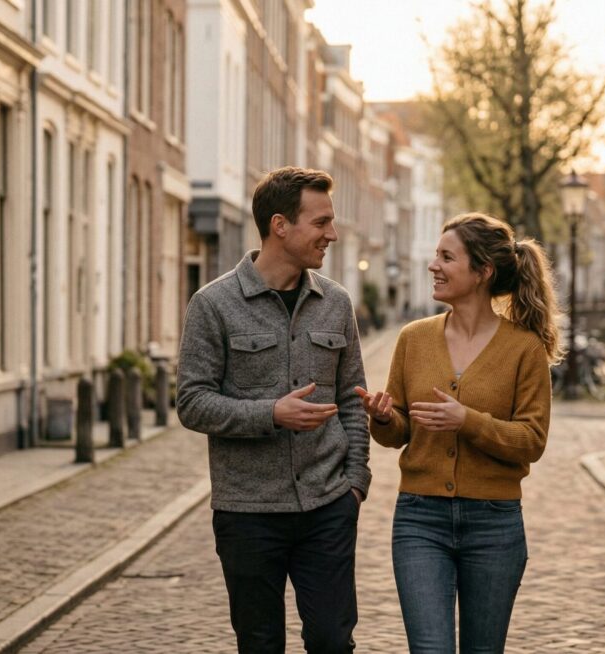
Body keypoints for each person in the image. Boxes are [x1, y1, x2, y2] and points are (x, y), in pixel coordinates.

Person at [177, 166, 371, 654]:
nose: (333, 234)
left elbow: (352, 396)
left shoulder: (337, 303)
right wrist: (270, 414)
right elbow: (192, 402)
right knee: (259, 644)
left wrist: (355, 484)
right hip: (248, 512)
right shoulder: (212, 305)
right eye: (321, 222)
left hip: (328, 506)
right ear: (280, 225)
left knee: (332, 640)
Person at [355, 213, 563, 653]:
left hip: (494, 524)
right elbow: (401, 432)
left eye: (447, 257)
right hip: (420, 518)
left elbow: (532, 440)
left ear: (483, 271)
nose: (434, 265)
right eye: (435, 255)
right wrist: (385, 418)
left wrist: (466, 421)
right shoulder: (414, 338)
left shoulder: (524, 348)